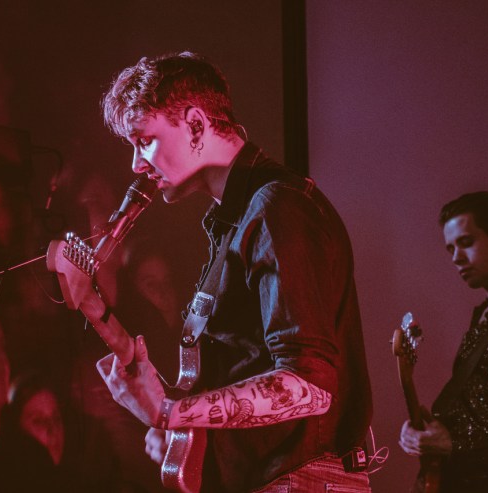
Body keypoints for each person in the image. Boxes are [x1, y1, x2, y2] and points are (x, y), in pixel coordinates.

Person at [67, 51, 373, 492]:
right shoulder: (235, 222)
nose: (136, 164)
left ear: (195, 124)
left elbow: (309, 386)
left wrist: (172, 413)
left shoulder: (278, 208)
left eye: (144, 140)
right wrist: (175, 416)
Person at [399, 191, 488, 492]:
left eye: (466, 242)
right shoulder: (484, 316)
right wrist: (422, 432)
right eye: (450, 248)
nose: (456, 257)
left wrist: (455, 441)